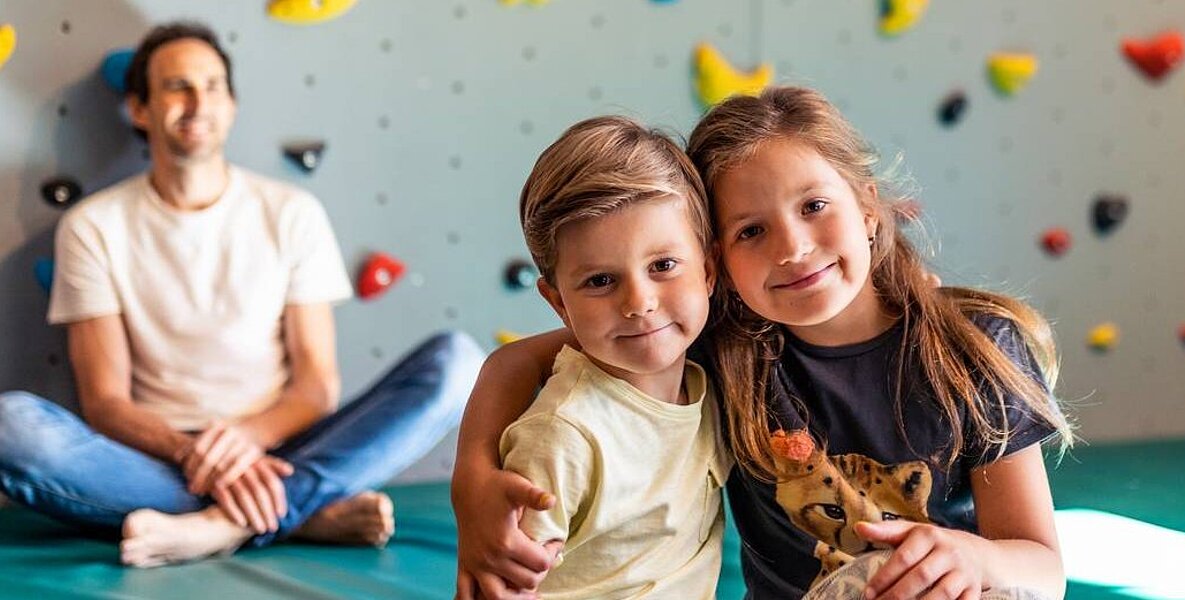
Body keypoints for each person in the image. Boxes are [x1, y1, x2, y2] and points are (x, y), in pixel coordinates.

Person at [452, 86, 1075, 600]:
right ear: (716, 263)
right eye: (752, 230)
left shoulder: (970, 350)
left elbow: (1043, 568)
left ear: (867, 208)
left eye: (814, 205)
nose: (792, 248)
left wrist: (972, 557)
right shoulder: (726, 341)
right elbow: (516, 359)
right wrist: (472, 479)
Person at [0, 21, 484, 568]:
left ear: (230, 106)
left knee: (461, 363)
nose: (197, 102)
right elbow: (105, 402)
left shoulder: (291, 213)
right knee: (10, 426)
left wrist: (244, 439)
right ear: (141, 109)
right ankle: (305, 512)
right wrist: (197, 453)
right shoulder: (93, 226)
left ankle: (221, 524)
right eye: (177, 86)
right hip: (163, 458)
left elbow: (315, 386)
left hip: (287, 442)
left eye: (212, 86)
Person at [493, 115, 727, 598]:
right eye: (600, 281)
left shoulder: (715, 381)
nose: (638, 302)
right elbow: (503, 583)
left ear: (708, 270)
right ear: (558, 303)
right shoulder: (563, 435)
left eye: (663, 266)